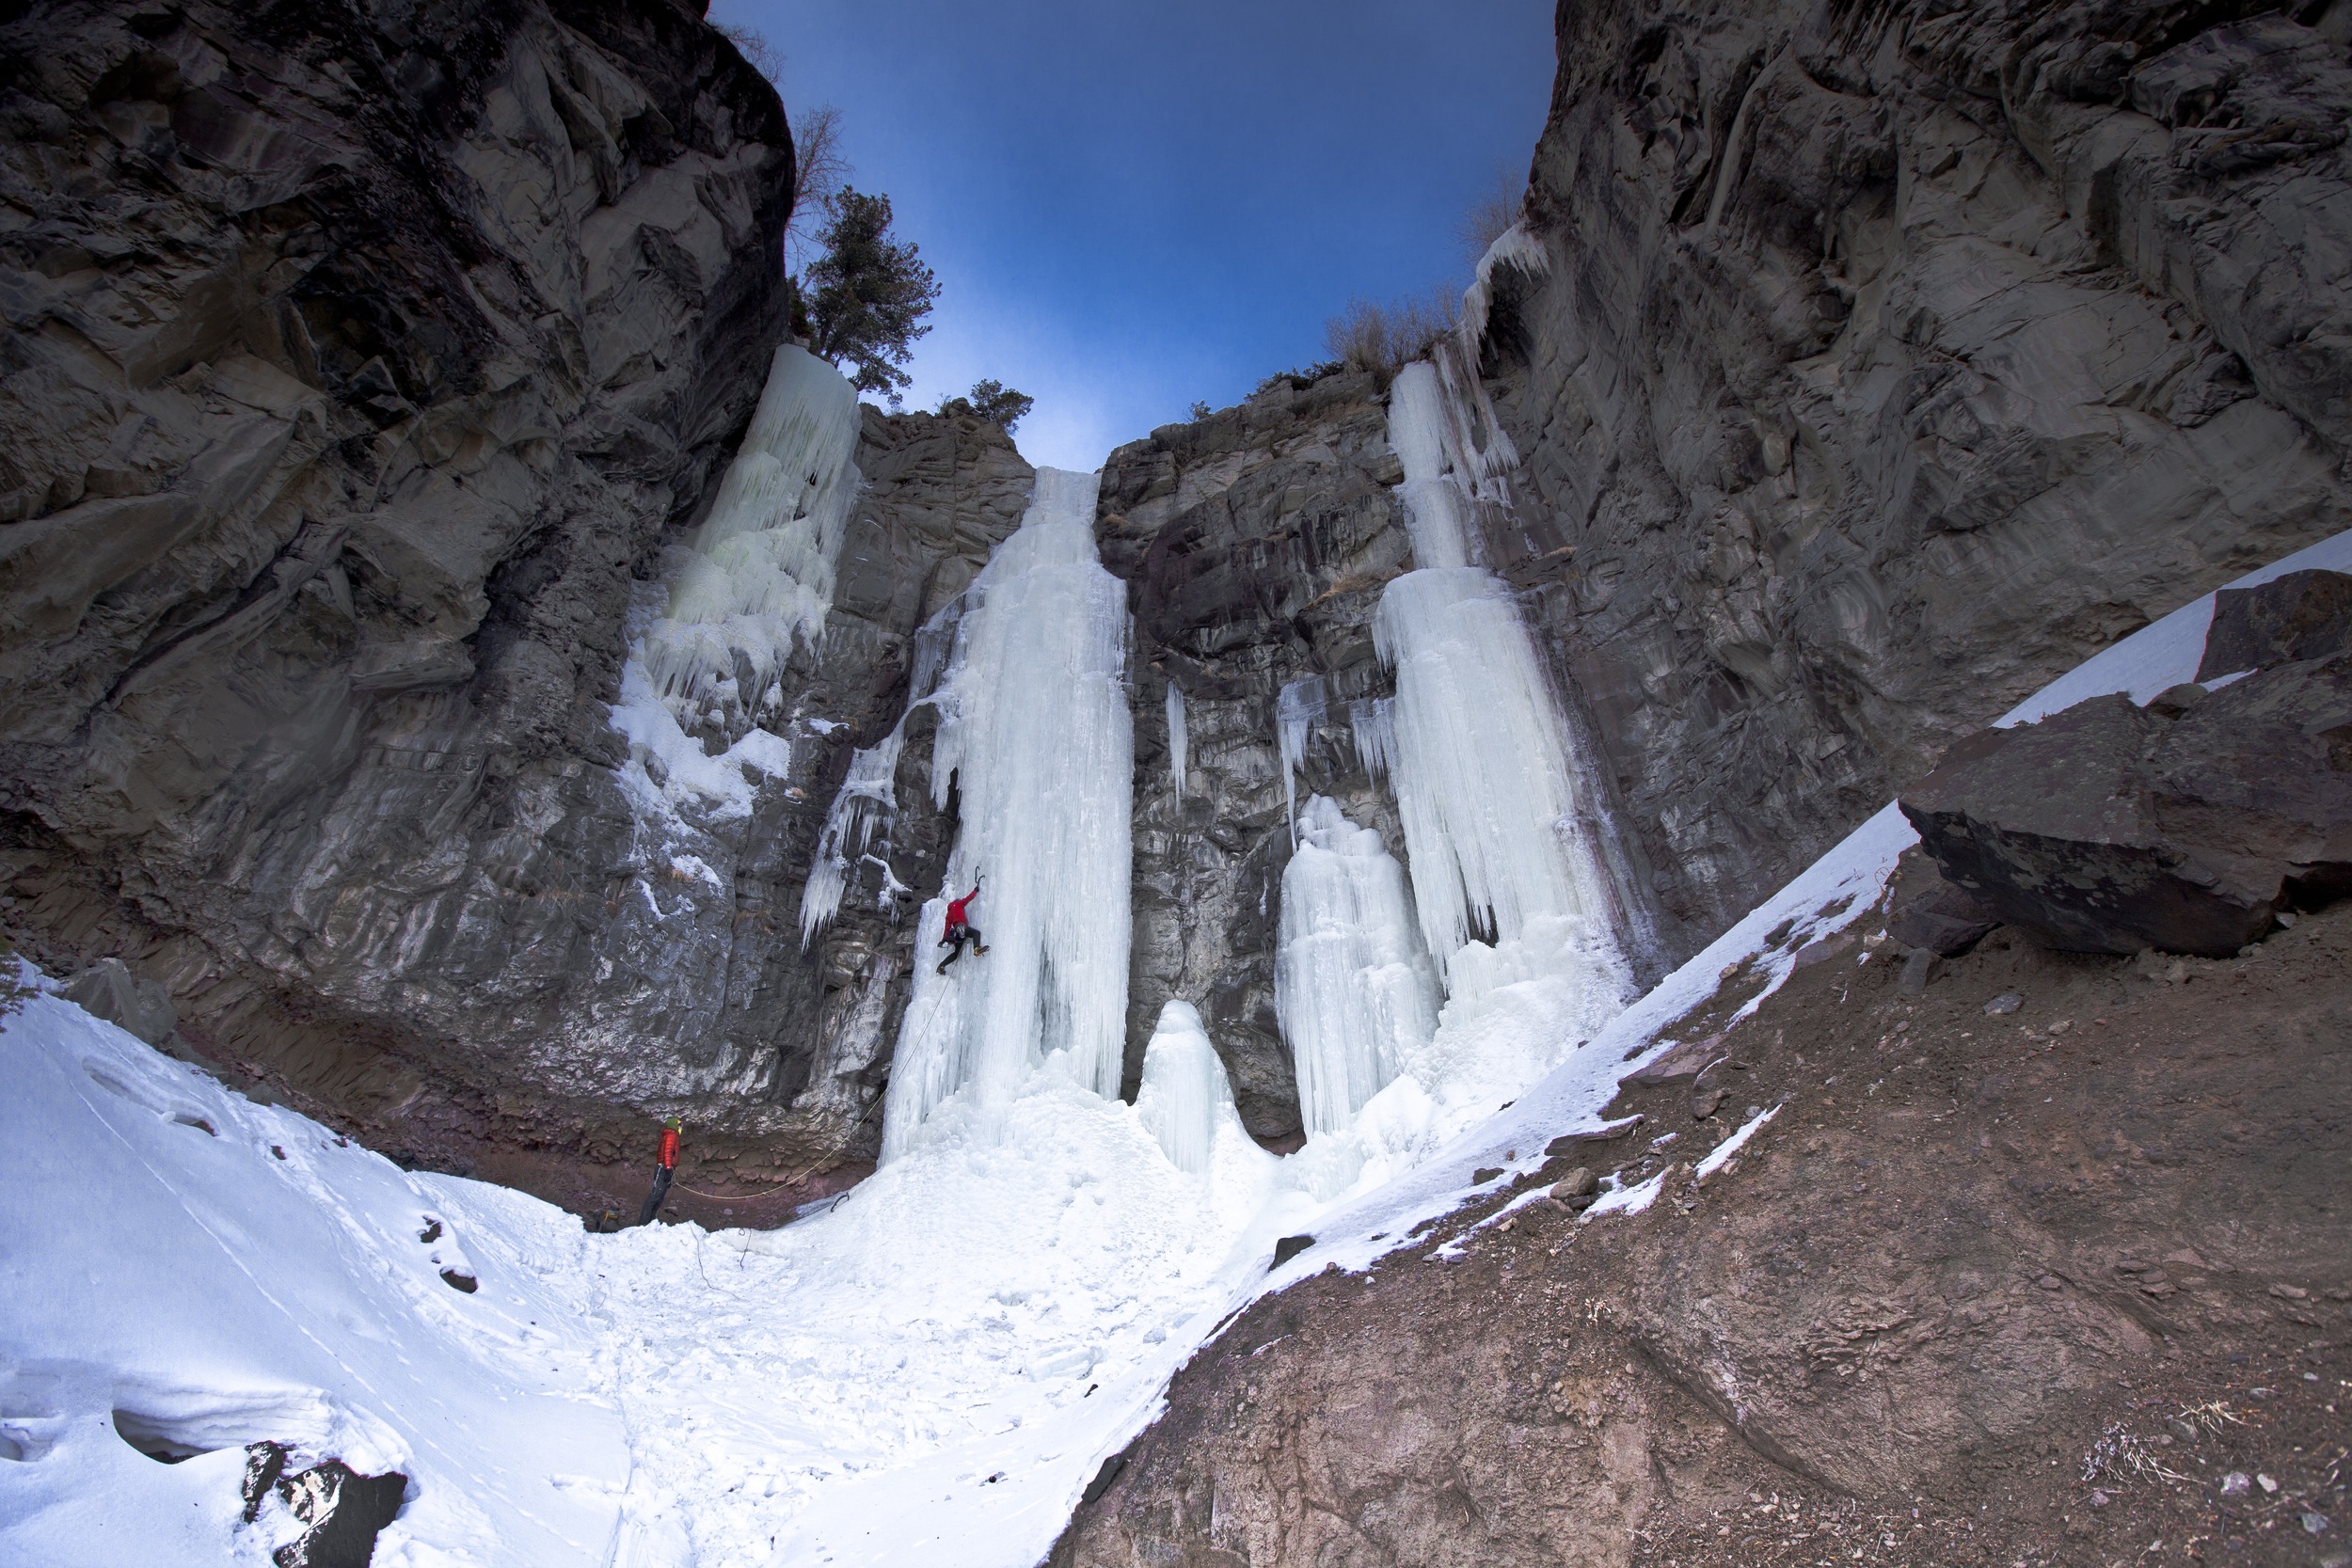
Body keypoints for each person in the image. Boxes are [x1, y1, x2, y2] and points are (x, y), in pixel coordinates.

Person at [636, 1116, 682, 1227]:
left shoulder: (671, 1135)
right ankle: (643, 1224)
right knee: (654, 1196)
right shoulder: (671, 1135)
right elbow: (668, 1152)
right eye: (679, 1125)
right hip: (663, 1168)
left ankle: (650, 1222)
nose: (681, 1127)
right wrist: (667, 1169)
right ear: (674, 1125)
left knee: (659, 1198)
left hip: (665, 1168)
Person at [936, 878, 988, 974]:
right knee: (976, 933)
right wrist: (975, 890)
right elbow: (968, 898)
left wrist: (943, 940)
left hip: (956, 932)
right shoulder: (959, 904)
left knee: (956, 954)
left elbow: (947, 928)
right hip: (961, 927)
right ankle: (976, 948)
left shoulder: (948, 914)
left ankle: (941, 965)